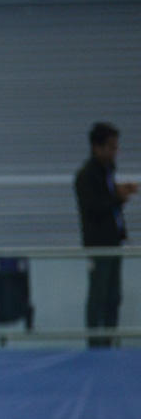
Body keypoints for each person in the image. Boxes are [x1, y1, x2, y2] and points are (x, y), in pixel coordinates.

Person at [75, 122, 138, 348]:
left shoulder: (108, 172)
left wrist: (120, 193)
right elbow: (95, 207)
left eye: (116, 147)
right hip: (98, 245)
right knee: (98, 296)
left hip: (113, 243)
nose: (114, 152)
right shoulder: (86, 176)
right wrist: (119, 198)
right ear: (96, 147)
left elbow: (109, 203)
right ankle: (95, 344)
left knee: (114, 296)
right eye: (110, 147)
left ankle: (109, 341)